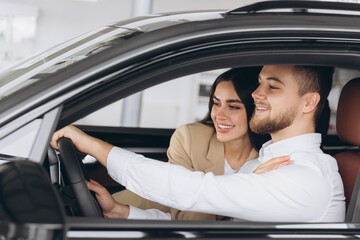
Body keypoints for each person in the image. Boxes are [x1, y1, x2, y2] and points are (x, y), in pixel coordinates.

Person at [52, 65, 346, 222]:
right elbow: (199, 226)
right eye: (259, 82)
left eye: (272, 86)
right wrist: (121, 212)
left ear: (309, 102)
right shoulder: (264, 164)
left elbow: (195, 191)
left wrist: (93, 146)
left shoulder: (305, 177)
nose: (256, 93)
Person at [112, 67, 271, 220]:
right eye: (216, 103)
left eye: (233, 106)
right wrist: (233, 197)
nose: (219, 115)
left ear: (256, 110)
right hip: (120, 215)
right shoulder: (190, 138)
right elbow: (188, 221)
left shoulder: (270, 157)